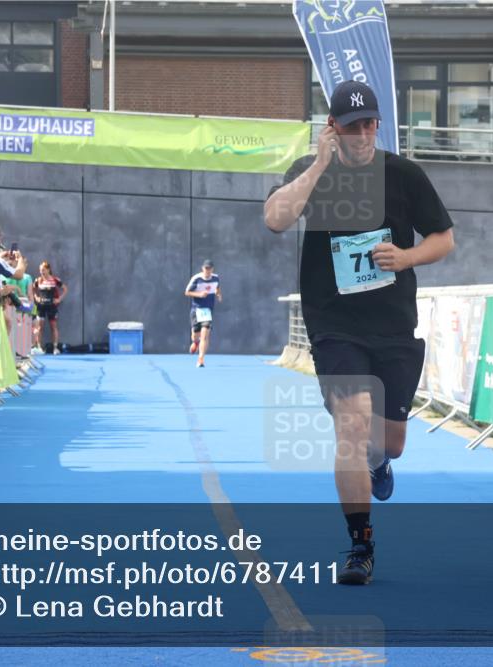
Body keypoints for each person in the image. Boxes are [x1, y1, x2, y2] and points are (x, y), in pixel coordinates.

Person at [263, 80, 454, 585]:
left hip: (393, 326)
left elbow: (444, 238)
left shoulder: (403, 174)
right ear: (333, 128)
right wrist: (320, 165)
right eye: (352, 126)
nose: (364, 133)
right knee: (351, 425)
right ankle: (360, 545)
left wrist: (408, 256)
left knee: (389, 445)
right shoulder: (310, 171)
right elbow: (275, 220)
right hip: (335, 327)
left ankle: (378, 462)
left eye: (370, 123)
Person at [184, 259, 221, 368]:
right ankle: (195, 342)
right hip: (197, 309)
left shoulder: (216, 278)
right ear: (202, 268)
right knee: (196, 335)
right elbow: (187, 292)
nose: (208, 271)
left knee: (205, 335)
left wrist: (219, 294)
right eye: (206, 268)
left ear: (212, 269)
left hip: (207, 311)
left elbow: (217, 288)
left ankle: (201, 359)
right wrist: (199, 294)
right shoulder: (197, 278)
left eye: (209, 268)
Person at [33, 260, 65, 354]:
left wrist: (59, 299)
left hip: (52, 306)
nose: (41, 272)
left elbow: (65, 288)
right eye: (40, 270)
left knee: (53, 327)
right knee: (39, 327)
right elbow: (32, 289)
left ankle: (55, 348)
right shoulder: (38, 280)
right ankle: (39, 347)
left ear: (48, 270)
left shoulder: (55, 280)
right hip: (41, 307)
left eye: (43, 270)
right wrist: (36, 297)